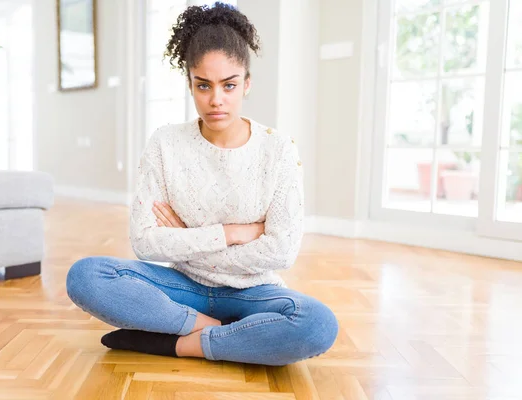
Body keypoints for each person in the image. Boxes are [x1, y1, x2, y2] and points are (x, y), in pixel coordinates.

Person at [66, 2, 338, 366]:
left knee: (318, 326)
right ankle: (218, 330)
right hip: (182, 287)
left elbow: (282, 252)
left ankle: (177, 342)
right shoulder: (165, 143)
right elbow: (145, 241)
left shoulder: (279, 149)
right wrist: (231, 232)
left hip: (254, 292)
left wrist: (184, 239)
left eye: (229, 85)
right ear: (190, 83)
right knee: (86, 276)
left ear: (247, 83)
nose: (216, 100)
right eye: (203, 85)